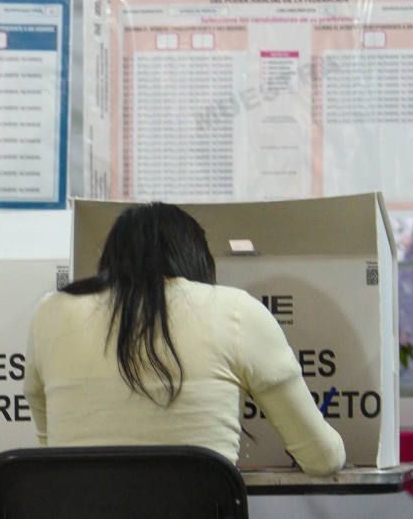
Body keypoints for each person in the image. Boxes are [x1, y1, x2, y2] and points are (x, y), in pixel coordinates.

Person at [23, 202, 345, 476]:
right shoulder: (237, 311)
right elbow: (323, 459)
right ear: (196, 258)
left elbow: (51, 449)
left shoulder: (51, 313)